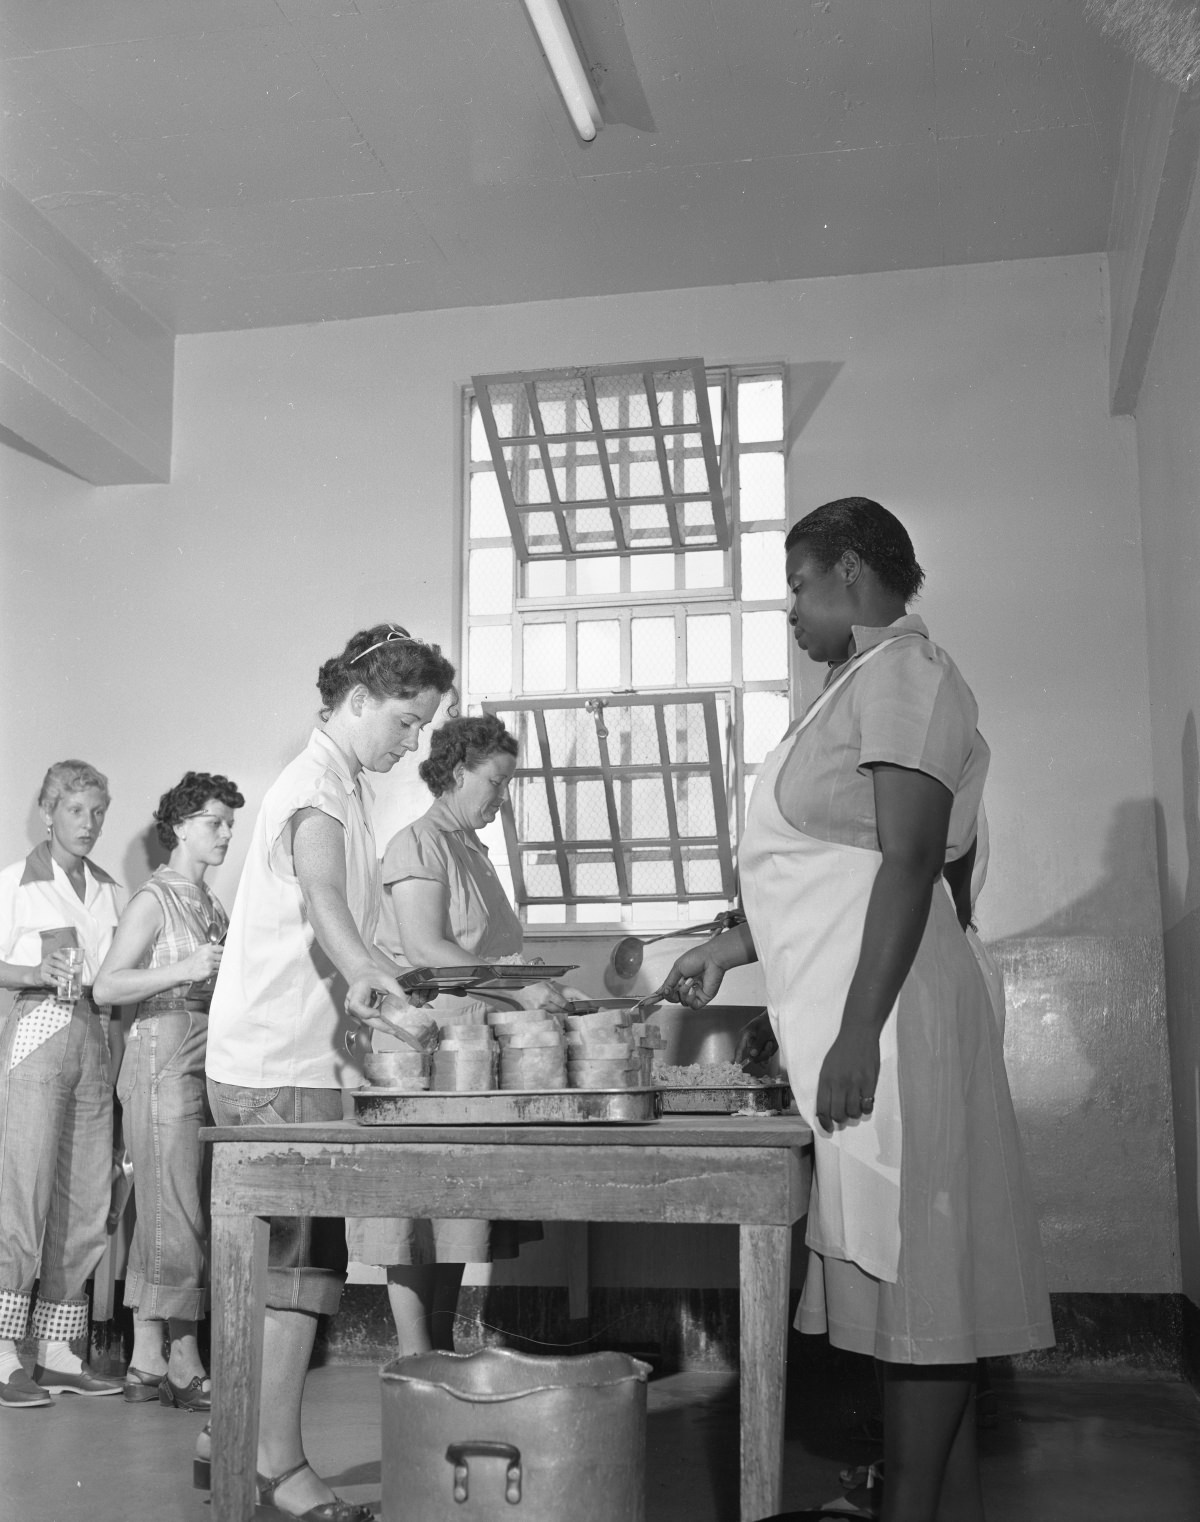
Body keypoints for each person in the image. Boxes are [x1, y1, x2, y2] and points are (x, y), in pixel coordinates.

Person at [661, 499, 1053, 1522]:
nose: (792, 609)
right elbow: (840, 866)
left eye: (798, 584)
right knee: (914, 1289)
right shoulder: (859, 686)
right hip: (877, 1007)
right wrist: (729, 943)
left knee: (918, 1280)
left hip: (895, 1015)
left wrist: (854, 1032)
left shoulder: (907, 674)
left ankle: (907, 1508)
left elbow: (913, 859)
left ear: (847, 571)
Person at [204, 624, 456, 1522]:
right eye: (405, 721)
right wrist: (365, 974)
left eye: (424, 728)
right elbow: (319, 899)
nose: (413, 742)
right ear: (357, 701)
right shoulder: (315, 788)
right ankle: (276, 1466)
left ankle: (239, 1439)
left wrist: (389, 975)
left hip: (284, 1056)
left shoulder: (341, 782)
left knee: (289, 1274)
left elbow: (338, 916)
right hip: (275, 1064)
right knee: (299, 1280)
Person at [347, 714, 567, 1353]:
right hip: (421, 1051)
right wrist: (515, 985)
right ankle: (416, 1359)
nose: (501, 798)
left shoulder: (473, 852)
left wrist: (544, 985)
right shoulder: (419, 843)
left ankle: (439, 1350)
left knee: (452, 1213)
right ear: (455, 772)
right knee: (415, 1214)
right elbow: (426, 950)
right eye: (494, 783)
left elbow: (491, 952)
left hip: (466, 1052)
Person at [93, 771, 244, 1411]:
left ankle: (147, 1358)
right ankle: (182, 1362)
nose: (226, 833)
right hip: (160, 1050)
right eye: (215, 821)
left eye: (230, 823)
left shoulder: (212, 902)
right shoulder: (155, 898)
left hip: (200, 1054)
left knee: (179, 1206)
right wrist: (184, 969)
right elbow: (105, 987)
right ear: (180, 825)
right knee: (173, 1207)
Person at [0, 760, 124, 1407]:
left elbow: (114, 979)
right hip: (38, 1035)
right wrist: (33, 970)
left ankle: (57, 1353)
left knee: (82, 1200)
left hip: (94, 1040)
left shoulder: (108, 888)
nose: (89, 824)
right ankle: (2, 1358)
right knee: (23, 1192)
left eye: (98, 811)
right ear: (48, 811)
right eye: (77, 810)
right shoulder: (17, 883)